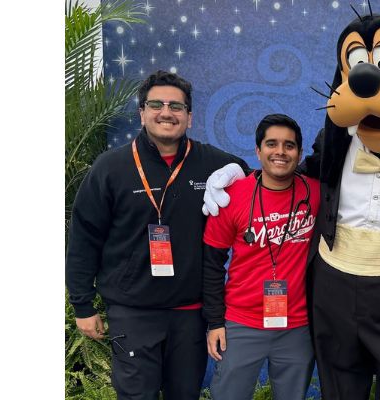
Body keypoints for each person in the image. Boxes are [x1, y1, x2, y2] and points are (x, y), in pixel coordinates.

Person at [65, 70, 249, 400]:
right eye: (156, 104)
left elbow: (259, 183)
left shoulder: (211, 164)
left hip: (190, 314)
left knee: (185, 394)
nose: (166, 112)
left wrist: (239, 171)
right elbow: (84, 238)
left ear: (189, 117)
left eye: (176, 107)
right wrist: (83, 305)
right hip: (133, 312)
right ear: (142, 112)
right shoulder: (110, 167)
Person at [202, 114, 320, 399]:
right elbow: (211, 265)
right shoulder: (231, 196)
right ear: (258, 150)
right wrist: (215, 322)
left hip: (298, 326)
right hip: (241, 323)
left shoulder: (317, 194)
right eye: (272, 144)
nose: (280, 151)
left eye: (289, 145)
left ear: (299, 153)